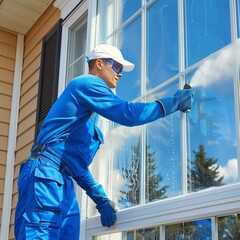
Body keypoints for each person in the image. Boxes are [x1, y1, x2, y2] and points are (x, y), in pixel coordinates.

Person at [14, 44, 194, 239]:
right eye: (116, 67)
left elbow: (76, 165)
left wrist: (100, 199)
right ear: (99, 64)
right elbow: (129, 114)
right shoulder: (86, 83)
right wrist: (174, 103)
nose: (120, 74)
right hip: (44, 175)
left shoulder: (88, 116)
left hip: (60, 180)